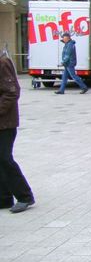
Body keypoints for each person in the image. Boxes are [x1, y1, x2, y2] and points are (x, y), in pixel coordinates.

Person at [0, 50, 35, 214]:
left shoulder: (2, 63)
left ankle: (25, 196)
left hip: (5, 123)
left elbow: (12, 92)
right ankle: (5, 198)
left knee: (5, 158)